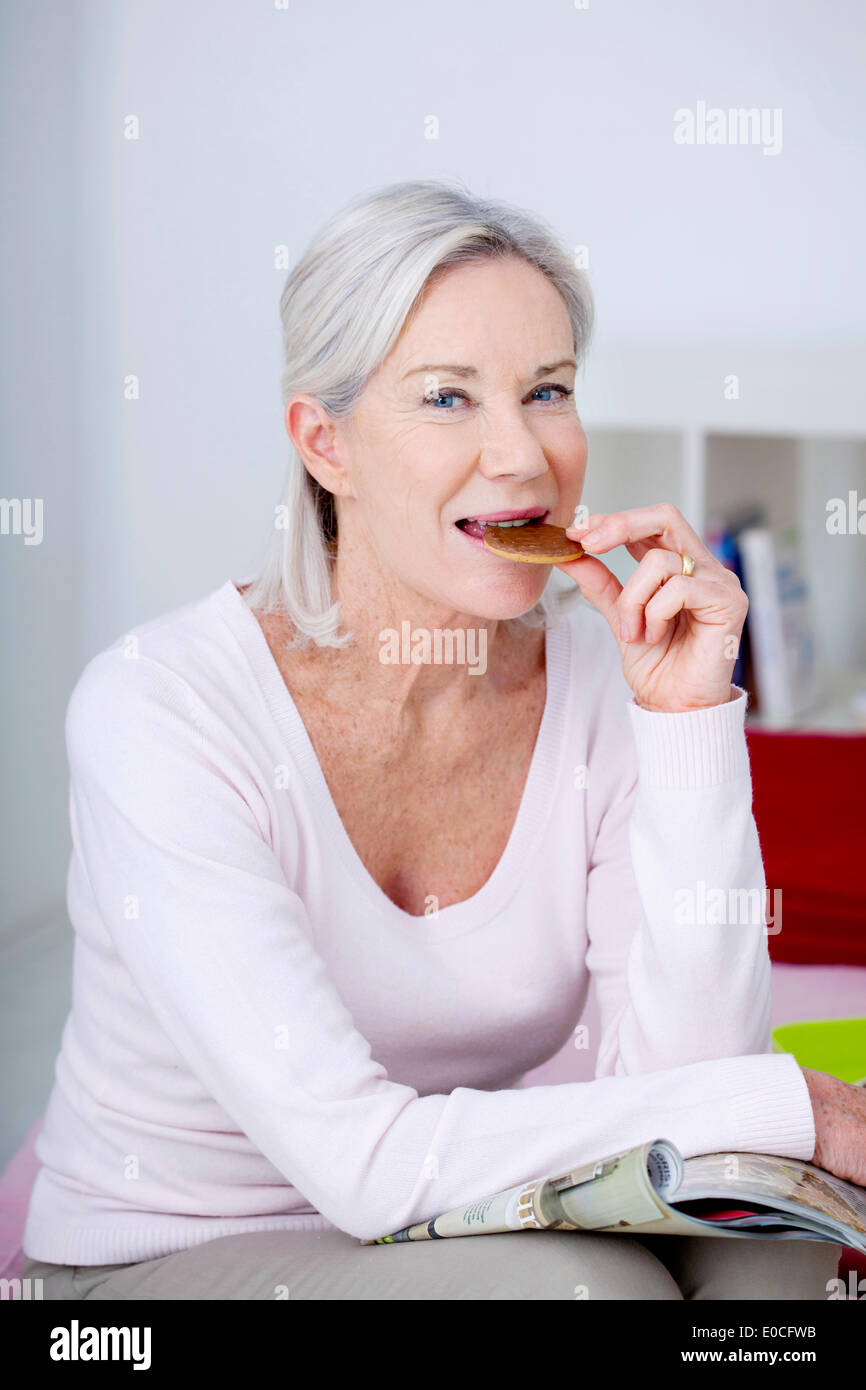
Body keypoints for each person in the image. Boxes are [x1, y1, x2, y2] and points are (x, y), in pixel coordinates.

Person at [22, 180, 863, 1300]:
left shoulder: (600, 677)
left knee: (772, 1247)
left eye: (547, 390)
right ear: (326, 443)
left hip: (451, 1213)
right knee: (589, 1291)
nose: (520, 456)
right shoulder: (160, 708)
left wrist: (687, 722)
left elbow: (693, 1100)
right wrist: (789, 1101)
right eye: (447, 398)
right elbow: (360, 1164)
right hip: (170, 1253)